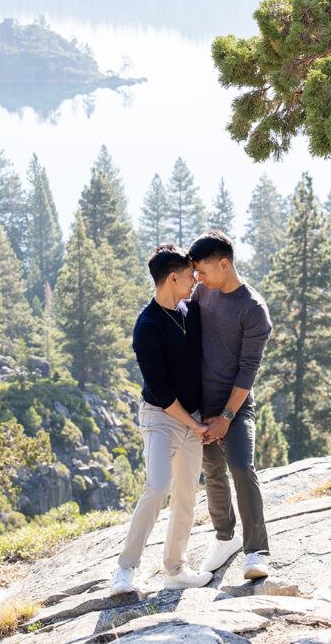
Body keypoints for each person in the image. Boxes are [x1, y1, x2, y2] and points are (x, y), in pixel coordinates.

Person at [109, 245, 213, 595]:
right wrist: (195, 425)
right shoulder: (147, 327)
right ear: (172, 278)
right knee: (157, 488)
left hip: (193, 418)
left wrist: (201, 419)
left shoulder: (190, 311)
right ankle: (125, 569)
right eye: (189, 275)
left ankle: (175, 568)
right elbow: (163, 393)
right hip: (161, 418)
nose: (195, 279)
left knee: (186, 495)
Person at [188, 230, 273, 580]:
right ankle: (225, 537)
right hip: (198, 405)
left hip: (234, 408)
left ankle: (256, 552)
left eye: (202, 271)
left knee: (240, 466)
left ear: (224, 264)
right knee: (212, 472)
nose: (197, 278)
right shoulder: (202, 290)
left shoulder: (254, 310)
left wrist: (225, 417)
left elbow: (247, 372)